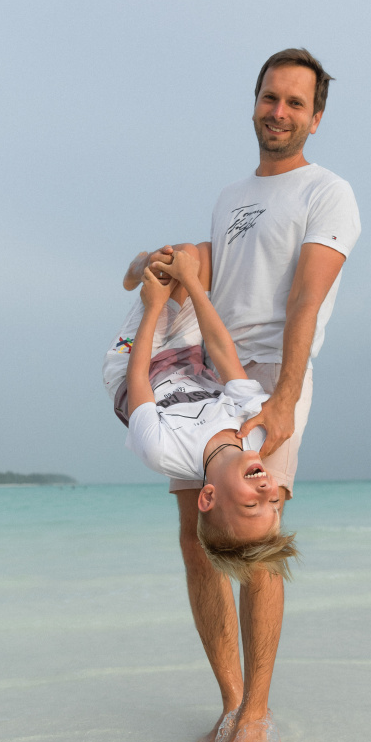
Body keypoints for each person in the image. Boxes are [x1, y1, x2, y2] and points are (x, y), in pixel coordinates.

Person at [124, 48, 361, 742]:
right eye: (269, 98)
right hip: (207, 373)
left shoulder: (328, 193)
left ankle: (256, 719)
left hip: (268, 378)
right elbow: (209, 279)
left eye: (295, 103)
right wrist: (158, 265)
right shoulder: (231, 197)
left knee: (258, 545)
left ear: (315, 118)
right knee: (198, 540)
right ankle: (231, 703)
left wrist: (285, 395)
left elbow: (305, 300)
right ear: (254, 103)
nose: (278, 112)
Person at [102, 245, 297, 579]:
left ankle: (136, 271)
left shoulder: (162, 451)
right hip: (186, 358)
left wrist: (154, 307)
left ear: (208, 496)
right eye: (274, 505)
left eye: (252, 504)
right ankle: (154, 271)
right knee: (193, 258)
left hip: (135, 364)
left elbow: (137, 381)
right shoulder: (256, 431)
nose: (267, 491)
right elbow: (223, 355)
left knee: (168, 264)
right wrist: (192, 283)